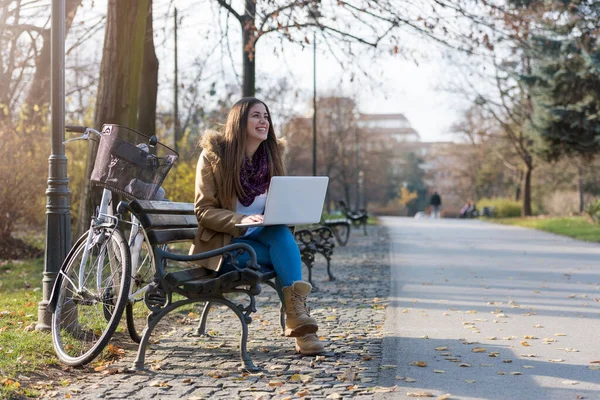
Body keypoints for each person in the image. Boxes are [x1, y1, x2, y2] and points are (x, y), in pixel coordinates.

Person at [189, 97, 325, 355]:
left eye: (266, 116)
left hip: (262, 243)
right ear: (239, 121)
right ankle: (303, 330)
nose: (264, 121)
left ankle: (300, 325)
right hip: (225, 248)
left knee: (280, 233)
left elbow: (276, 207)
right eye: (256, 115)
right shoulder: (213, 157)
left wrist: (291, 210)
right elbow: (203, 211)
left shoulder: (271, 159)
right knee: (285, 251)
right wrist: (240, 220)